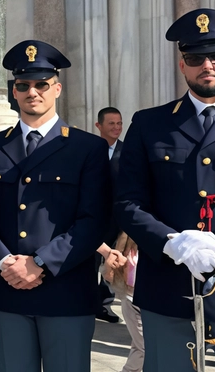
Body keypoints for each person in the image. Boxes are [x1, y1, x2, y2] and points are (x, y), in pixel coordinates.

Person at [115, 8, 215, 370]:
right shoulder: (149, 124)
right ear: (183, 65)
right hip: (168, 285)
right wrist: (171, 242)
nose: (207, 64)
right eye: (195, 57)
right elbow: (127, 201)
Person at [0, 40, 111, 371]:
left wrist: (41, 262)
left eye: (42, 84)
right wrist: (4, 263)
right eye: (23, 85)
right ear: (13, 92)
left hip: (66, 291)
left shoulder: (88, 148)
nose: (33, 92)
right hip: (8, 288)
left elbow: (94, 220)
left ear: (57, 88)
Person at [94, 106, 124, 324]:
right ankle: (87, 302)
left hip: (117, 219)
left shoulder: (129, 151)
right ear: (99, 126)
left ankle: (105, 303)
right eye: (111, 123)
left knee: (114, 262)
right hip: (93, 218)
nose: (116, 127)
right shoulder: (89, 150)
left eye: (119, 123)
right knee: (89, 263)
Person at [101, 231, 144, 372]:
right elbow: (110, 274)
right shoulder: (128, 247)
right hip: (131, 301)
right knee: (143, 347)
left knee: (138, 345)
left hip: (145, 302)